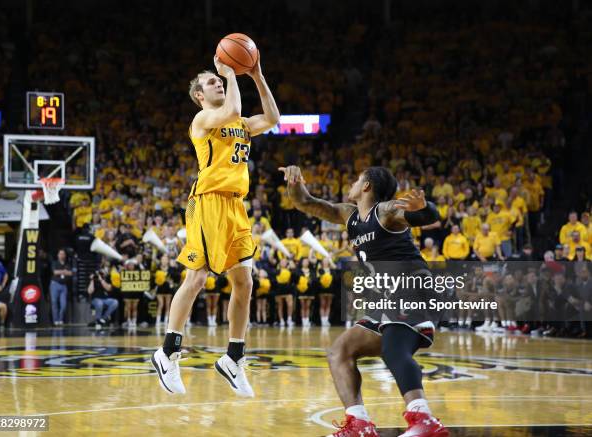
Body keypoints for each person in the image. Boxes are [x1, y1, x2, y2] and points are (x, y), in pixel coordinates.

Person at [280, 165, 448, 437]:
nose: (353, 183)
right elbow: (305, 202)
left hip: (411, 287)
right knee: (340, 351)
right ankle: (359, 424)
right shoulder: (349, 215)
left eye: (358, 179)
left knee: (394, 350)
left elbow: (424, 216)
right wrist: (294, 182)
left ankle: (424, 419)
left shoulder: (385, 211)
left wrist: (425, 208)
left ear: (367, 186)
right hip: (386, 299)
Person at [152, 53, 280, 397]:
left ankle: (233, 358)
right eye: (212, 81)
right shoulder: (203, 119)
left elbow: (273, 117)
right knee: (196, 278)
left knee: (245, 281)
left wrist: (256, 73)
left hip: (236, 205)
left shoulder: (240, 123)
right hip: (208, 201)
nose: (219, 82)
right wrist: (229, 70)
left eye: (220, 80)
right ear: (199, 95)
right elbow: (231, 111)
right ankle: (167, 352)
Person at [50, 249, 72, 326]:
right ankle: (55, 320)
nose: (62, 255)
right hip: (55, 284)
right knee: (54, 302)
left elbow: (70, 273)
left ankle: (60, 319)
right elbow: (55, 272)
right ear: (58, 255)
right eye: (60, 254)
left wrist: (63, 272)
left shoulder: (67, 264)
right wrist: (64, 272)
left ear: (65, 255)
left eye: (63, 254)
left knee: (63, 304)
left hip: (63, 285)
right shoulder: (55, 263)